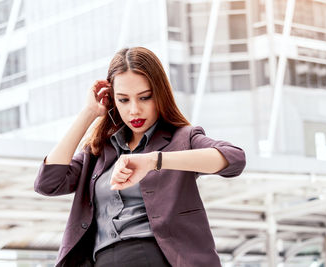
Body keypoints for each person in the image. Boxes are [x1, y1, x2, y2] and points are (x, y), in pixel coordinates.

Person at [34, 46, 246, 267]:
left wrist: (154, 161)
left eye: (144, 97)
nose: (134, 110)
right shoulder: (97, 152)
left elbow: (234, 158)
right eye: (124, 100)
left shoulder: (181, 139)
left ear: (160, 94)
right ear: (112, 100)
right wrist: (89, 114)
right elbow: (48, 183)